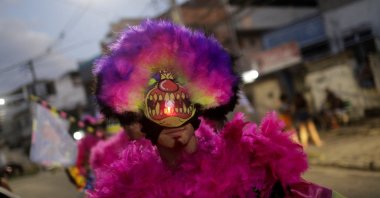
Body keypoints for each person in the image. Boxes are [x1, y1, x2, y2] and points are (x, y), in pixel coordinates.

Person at [88, 20, 334, 197]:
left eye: (181, 104)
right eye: (158, 108)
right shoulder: (129, 191)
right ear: (142, 120)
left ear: (196, 108)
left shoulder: (253, 163)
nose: (172, 117)